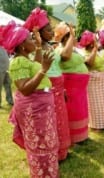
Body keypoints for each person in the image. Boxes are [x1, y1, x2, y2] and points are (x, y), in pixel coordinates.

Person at [1, 21, 59, 177]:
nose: (34, 41)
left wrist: (39, 46)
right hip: (34, 111)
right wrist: (44, 70)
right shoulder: (18, 62)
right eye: (30, 39)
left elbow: (37, 64)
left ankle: (49, 172)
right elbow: (25, 89)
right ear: (21, 45)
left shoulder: (26, 59)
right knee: (40, 144)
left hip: (41, 108)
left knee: (46, 142)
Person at [23, 7, 71, 161]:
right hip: (47, 89)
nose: (52, 32)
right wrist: (37, 43)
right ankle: (53, 153)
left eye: (51, 29)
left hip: (58, 87)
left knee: (61, 118)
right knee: (51, 122)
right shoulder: (34, 48)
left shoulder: (50, 45)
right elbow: (36, 68)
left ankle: (62, 150)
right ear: (39, 32)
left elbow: (57, 65)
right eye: (48, 30)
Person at [54, 22, 90, 143]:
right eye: (70, 35)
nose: (74, 37)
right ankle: (74, 136)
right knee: (74, 110)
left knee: (81, 109)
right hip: (71, 87)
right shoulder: (59, 49)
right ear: (64, 37)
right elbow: (65, 56)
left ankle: (82, 135)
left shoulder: (75, 49)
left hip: (80, 88)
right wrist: (71, 38)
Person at [80, 30, 104, 130]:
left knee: (102, 103)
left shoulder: (96, 51)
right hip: (94, 84)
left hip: (101, 83)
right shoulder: (85, 53)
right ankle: (96, 126)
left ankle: (103, 123)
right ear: (91, 44)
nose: (97, 42)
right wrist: (95, 49)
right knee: (96, 104)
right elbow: (89, 63)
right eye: (95, 41)